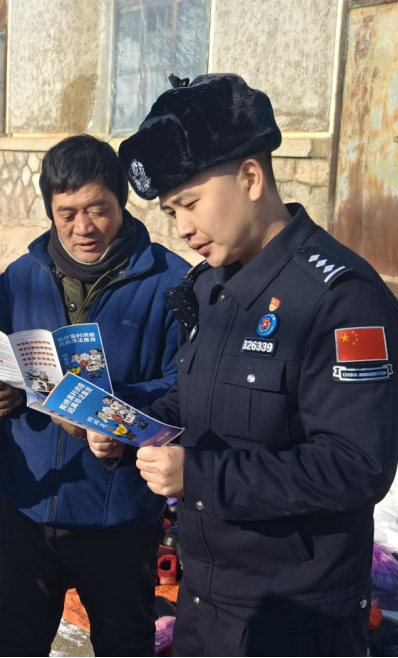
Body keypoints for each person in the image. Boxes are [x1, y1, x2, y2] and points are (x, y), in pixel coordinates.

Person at [115, 73, 398, 656]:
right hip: (205, 602)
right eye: (170, 211)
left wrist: (200, 476)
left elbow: (356, 466)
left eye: (190, 204)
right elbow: (196, 402)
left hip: (294, 620)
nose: (182, 228)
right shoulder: (213, 287)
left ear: (250, 177)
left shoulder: (343, 299)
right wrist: (126, 423)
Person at [0, 135, 188, 656]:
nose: (82, 227)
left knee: (123, 643)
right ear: (50, 210)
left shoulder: (172, 283)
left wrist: (111, 409)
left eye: (96, 209)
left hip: (118, 511)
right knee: (16, 641)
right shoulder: (22, 277)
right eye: (66, 213)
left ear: (122, 202)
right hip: (27, 500)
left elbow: (186, 383)